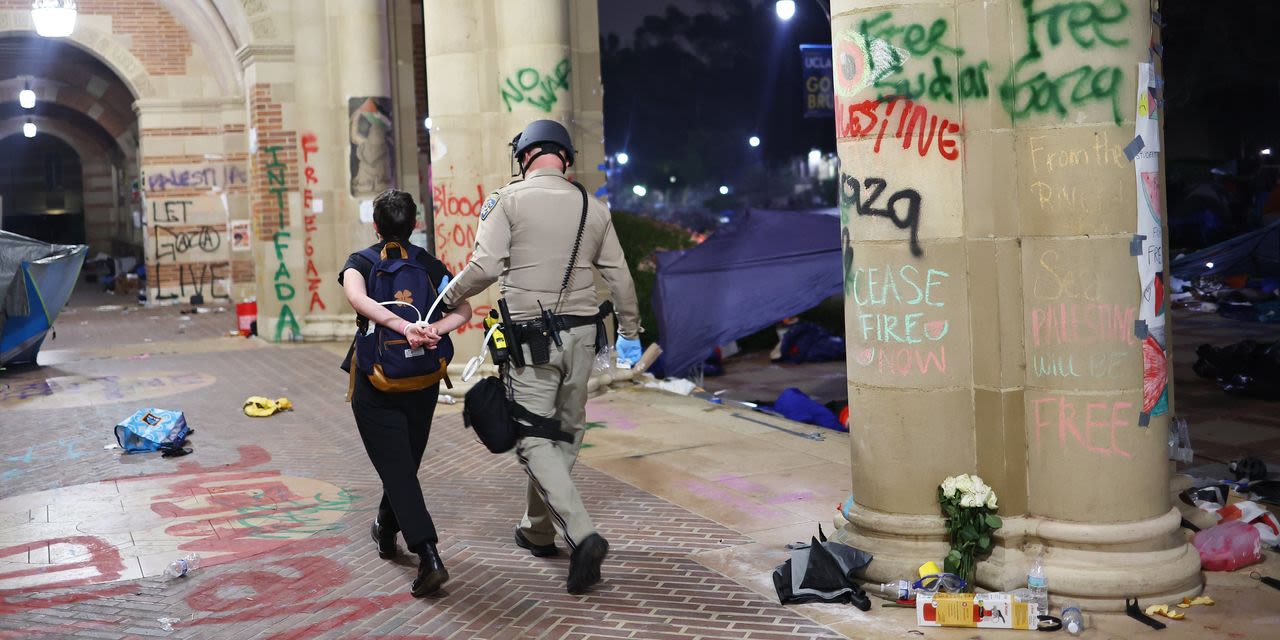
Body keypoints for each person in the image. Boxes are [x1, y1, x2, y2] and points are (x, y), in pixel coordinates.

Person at [438, 119, 642, 594]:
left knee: (531, 437)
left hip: (531, 342)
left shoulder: (505, 200)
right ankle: (538, 528)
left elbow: (485, 266)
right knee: (565, 430)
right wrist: (631, 329)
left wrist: (448, 298)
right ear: (565, 158)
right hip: (586, 339)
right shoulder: (595, 206)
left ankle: (583, 534)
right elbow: (622, 280)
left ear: (524, 156)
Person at [339, 189, 472, 597]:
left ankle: (428, 553)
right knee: (402, 467)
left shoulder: (359, 262)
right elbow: (463, 309)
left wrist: (398, 326)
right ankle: (384, 529)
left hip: (375, 380)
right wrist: (432, 331)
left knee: (397, 470)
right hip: (422, 380)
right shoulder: (430, 265)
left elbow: (357, 299)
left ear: (375, 226)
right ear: (415, 224)